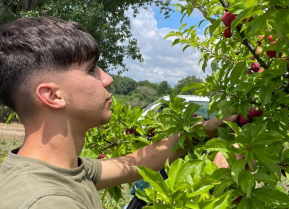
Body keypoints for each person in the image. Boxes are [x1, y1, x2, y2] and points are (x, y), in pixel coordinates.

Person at [0, 16, 237, 209]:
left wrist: (204, 130)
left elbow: (138, 162)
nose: (107, 78)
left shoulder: (62, 170)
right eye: (91, 69)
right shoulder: (49, 202)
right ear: (52, 95)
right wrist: (218, 179)